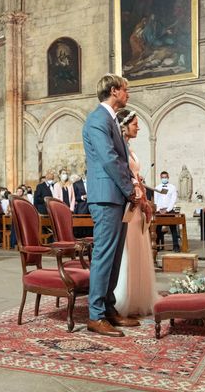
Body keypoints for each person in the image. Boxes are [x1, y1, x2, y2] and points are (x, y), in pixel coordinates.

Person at [82, 74, 140, 337]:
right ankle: (95, 315)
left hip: (117, 197)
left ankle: (107, 308)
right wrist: (130, 190)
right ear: (114, 91)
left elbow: (122, 159)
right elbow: (108, 159)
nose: (128, 94)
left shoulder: (112, 120)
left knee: (115, 256)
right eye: (125, 90)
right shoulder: (97, 119)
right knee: (104, 255)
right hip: (106, 196)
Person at [113, 109, 158, 317]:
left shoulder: (129, 149)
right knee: (128, 249)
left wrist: (146, 202)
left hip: (139, 202)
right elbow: (123, 175)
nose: (138, 127)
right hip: (128, 203)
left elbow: (137, 177)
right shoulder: (118, 147)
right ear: (124, 125)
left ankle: (140, 295)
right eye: (135, 124)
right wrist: (136, 197)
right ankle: (124, 295)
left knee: (140, 246)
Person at [154, 170, 180, 253]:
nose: (164, 178)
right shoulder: (157, 187)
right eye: (162, 177)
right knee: (157, 229)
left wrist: (168, 210)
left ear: (168, 178)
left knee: (173, 229)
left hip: (169, 210)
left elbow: (173, 199)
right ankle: (156, 246)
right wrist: (159, 209)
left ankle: (176, 246)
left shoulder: (172, 187)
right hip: (160, 211)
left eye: (165, 177)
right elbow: (156, 200)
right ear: (160, 178)